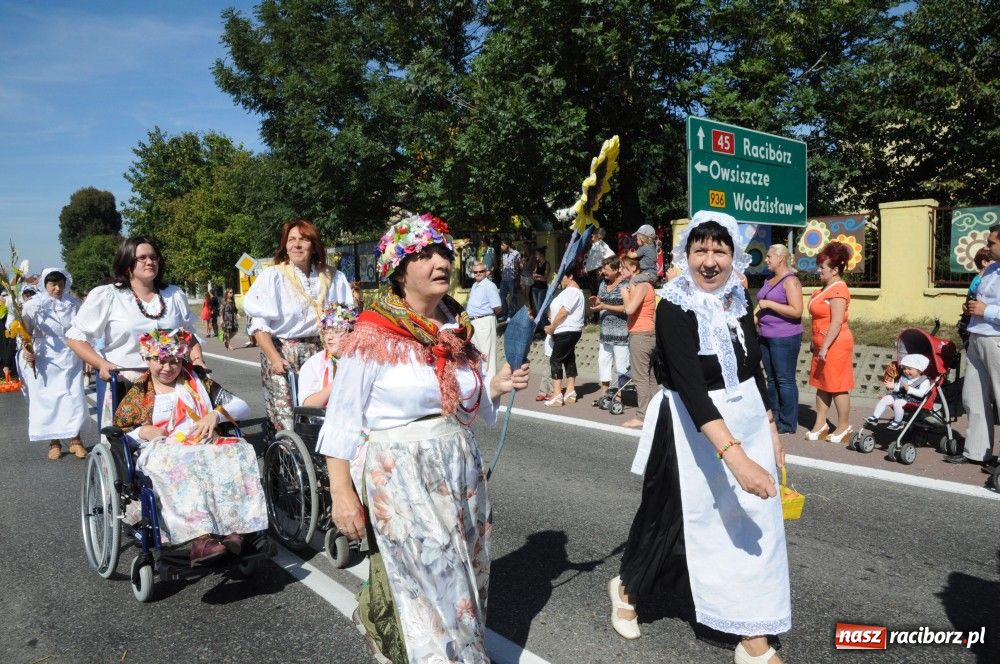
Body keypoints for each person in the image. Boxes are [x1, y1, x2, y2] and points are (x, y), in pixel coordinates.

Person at [317, 212, 529, 664]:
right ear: (399, 270)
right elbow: (342, 417)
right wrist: (341, 492)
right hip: (401, 473)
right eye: (424, 254)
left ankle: (463, 651)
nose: (440, 262)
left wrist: (496, 384)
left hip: (459, 467)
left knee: (471, 575)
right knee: (437, 582)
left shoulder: (455, 328)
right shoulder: (373, 334)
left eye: (444, 253)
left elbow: (464, 402)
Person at [612, 211, 789, 664]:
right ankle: (628, 588)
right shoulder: (673, 305)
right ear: (686, 255)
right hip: (689, 429)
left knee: (750, 523)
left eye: (720, 251)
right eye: (700, 250)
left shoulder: (736, 299)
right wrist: (737, 459)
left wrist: (769, 429)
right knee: (670, 518)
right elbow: (691, 388)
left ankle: (752, 637)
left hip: (746, 418)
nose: (710, 262)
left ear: (734, 257)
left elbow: (754, 368)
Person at [113, 328, 267, 565]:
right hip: (162, 448)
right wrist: (143, 431)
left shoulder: (198, 381)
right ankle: (201, 538)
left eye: (174, 361)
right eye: (160, 361)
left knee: (238, 450)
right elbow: (121, 433)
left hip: (202, 442)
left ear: (182, 358)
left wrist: (216, 415)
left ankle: (237, 528)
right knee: (184, 463)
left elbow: (242, 406)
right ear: (147, 359)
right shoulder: (141, 391)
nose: (167, 368)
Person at [67, 237, 205, 429]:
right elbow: (76, 338)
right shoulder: (109, 295)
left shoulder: (173, 295)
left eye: (153, 257)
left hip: (171, 382)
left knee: (179, 435)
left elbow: (188, 336)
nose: (150, 262)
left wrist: (197, 358)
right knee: (130, 443)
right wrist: (102, 364)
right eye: (142, 258)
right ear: (127, 265)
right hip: (125, 381)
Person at [241, 219, 354, 435]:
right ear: (285, 245)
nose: (296, 245)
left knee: (326, 411)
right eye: (291, 240)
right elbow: (259, 324)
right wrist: (274, 358)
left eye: (303, 239)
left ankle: (324, 461)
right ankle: (287, 459)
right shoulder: (273, 276)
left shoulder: (332, 276)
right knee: (288, 419)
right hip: (283, 352)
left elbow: (347, 318)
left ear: (314, 245)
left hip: (324, 349)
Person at [20, 268, 87, 460]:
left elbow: (81, 329)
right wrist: (27, 349)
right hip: (44, 356)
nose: (57, 288)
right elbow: (24, 331)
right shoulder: (33, 305)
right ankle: (54, 442)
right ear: (44, 285)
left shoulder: (73, 304)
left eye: (60, 284)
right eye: (53, 284)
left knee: (72, 396)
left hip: (69, 353)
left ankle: (76, 440)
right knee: (50, 400)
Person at [950, 223, 1000, 465]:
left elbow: (988, 307)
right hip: (977, 336)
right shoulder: (991, 270)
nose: (987, 246)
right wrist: (972, 308)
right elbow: (979, 300)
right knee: (973, 397)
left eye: (992, 242)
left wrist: (986, 310)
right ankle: (977, 453)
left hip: (996, 340)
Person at [806, 241, 855, 443]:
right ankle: (821, 423)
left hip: (835, 344)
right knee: (822, 384)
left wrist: (825, 346)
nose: (819, 270)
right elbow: (819, 320)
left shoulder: (839, 289)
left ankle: (843, 426)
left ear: (835, 270)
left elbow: (835, 322)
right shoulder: (823, 289)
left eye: (822, 267)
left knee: (837, 386)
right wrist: (815, 342)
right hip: (822, 343)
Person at [756, 244, 803, 434]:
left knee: (785, 380)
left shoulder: (790, 281)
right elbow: (761, 306)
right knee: (771, 379)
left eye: (769, 257)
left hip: (785, 337)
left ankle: (788, 422)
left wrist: (770, 304)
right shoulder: (769, 279)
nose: (766, 260)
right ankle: (774, 416)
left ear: (780, 258)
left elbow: (796, 311)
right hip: (765, 335)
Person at [620, 256, 657, 428]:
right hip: (648, 334)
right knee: (650, 378)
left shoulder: (641, 286)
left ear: (634, 268)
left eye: (624, 268)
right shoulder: (643, 285)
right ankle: (654, 412)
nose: (621, 271)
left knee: (641, 378)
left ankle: (642, 416)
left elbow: (630, 309)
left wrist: (624, 294)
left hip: (641, 335)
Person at [298, 304, 357, 407]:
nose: (329, 337)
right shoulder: (314, 363)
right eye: (326, 332)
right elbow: (307, 405)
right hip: (324, 420)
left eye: (337, 331)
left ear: (351, 333)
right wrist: (336, 383)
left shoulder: (361, 359)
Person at [589, 256, 630, 399]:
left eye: (605, 269)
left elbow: (627, 308)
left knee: (621, 365)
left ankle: (619, 395)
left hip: (621, 332)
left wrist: (605, 306)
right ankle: (605, 392)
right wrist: (596, 302)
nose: (603, 272)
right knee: (603, 362)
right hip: (605, 331)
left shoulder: (625, 285)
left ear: (615, 269)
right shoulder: (603, 284)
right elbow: (601, 301)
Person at [542, 272, 585, 406]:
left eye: (561, 276)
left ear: (570, 276)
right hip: (568, 330)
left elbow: (563, 312)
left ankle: (557, 394)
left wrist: (552, 327)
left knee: (555, 359)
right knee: (568, 358)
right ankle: (571, 391)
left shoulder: (572, 291)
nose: (559, 279)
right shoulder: (568, 291)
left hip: (566, 330)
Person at [866, 353, 931, 430]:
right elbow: (899, 388)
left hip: (913, 400)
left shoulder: (924, 381)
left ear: (919, 370)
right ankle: (875, 417)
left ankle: (898, 422)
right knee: (885, 398)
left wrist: (910, 389)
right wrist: (893, 387)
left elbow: (922, 394)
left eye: (909, 369)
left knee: (898, 403)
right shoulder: (904, 377)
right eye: (904, 368)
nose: (906, 371)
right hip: (900, 396)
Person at [466, 261, 503, 382]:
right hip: (474, 323)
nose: (478, 274)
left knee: (487, 357)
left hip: (484, 321)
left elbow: (497, 307)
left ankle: (489, 387)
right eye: (475, 272)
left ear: (486, 272)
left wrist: (486, 317)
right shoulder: (475, 285)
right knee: (477, 356)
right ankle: (480, 386)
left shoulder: (489, 285)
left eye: (481, 271)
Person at [957, 247, 993, 348]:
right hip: (971, 323)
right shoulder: (979, 281)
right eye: (994, 262)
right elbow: (971, 300)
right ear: (985, 262)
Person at [497, 238, 521, 321]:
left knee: (513, 297)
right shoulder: (503, 254)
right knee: (501, 297)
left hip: (512, 279)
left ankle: (511, 315)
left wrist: (518, 280)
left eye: (502, 245)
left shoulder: (516, 254)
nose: (501, 246)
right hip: (504, 279)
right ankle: (505, 314)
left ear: (508, 245)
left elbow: (518, 268)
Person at [585, 228, 615, 292]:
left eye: (594, 234)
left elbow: (611, 256)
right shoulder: (595, 245)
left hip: (597, 274)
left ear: (598, 235)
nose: (592, 235)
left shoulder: (601, 245)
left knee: (599, 293)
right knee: (594, 293)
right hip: (592, 274)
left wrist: (602, 268)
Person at [530, 247, 551, 323]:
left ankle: (544, 324)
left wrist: (537, 276)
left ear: (541, 254)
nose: (536, 256)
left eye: (537, 254)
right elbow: (533, 275)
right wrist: (538, 276)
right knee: (537, 309)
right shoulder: (537, 264)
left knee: (540, 308)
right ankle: (541, 325)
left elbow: (545, 278)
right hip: (535, 288)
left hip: (542, 289)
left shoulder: (547, 264)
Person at [520, 239, 537, 316]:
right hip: (523, 276)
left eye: (526, 246)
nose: (524, 248)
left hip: (528, 276)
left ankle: (530, 311)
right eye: (523, 246)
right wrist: (522, 264)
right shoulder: (524, 255)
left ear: (529, 247)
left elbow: (527, 267)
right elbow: (521, 266)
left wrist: (522, 264)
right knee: (524, 294)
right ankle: (528, 309)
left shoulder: (532, 255)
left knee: (528, 295)